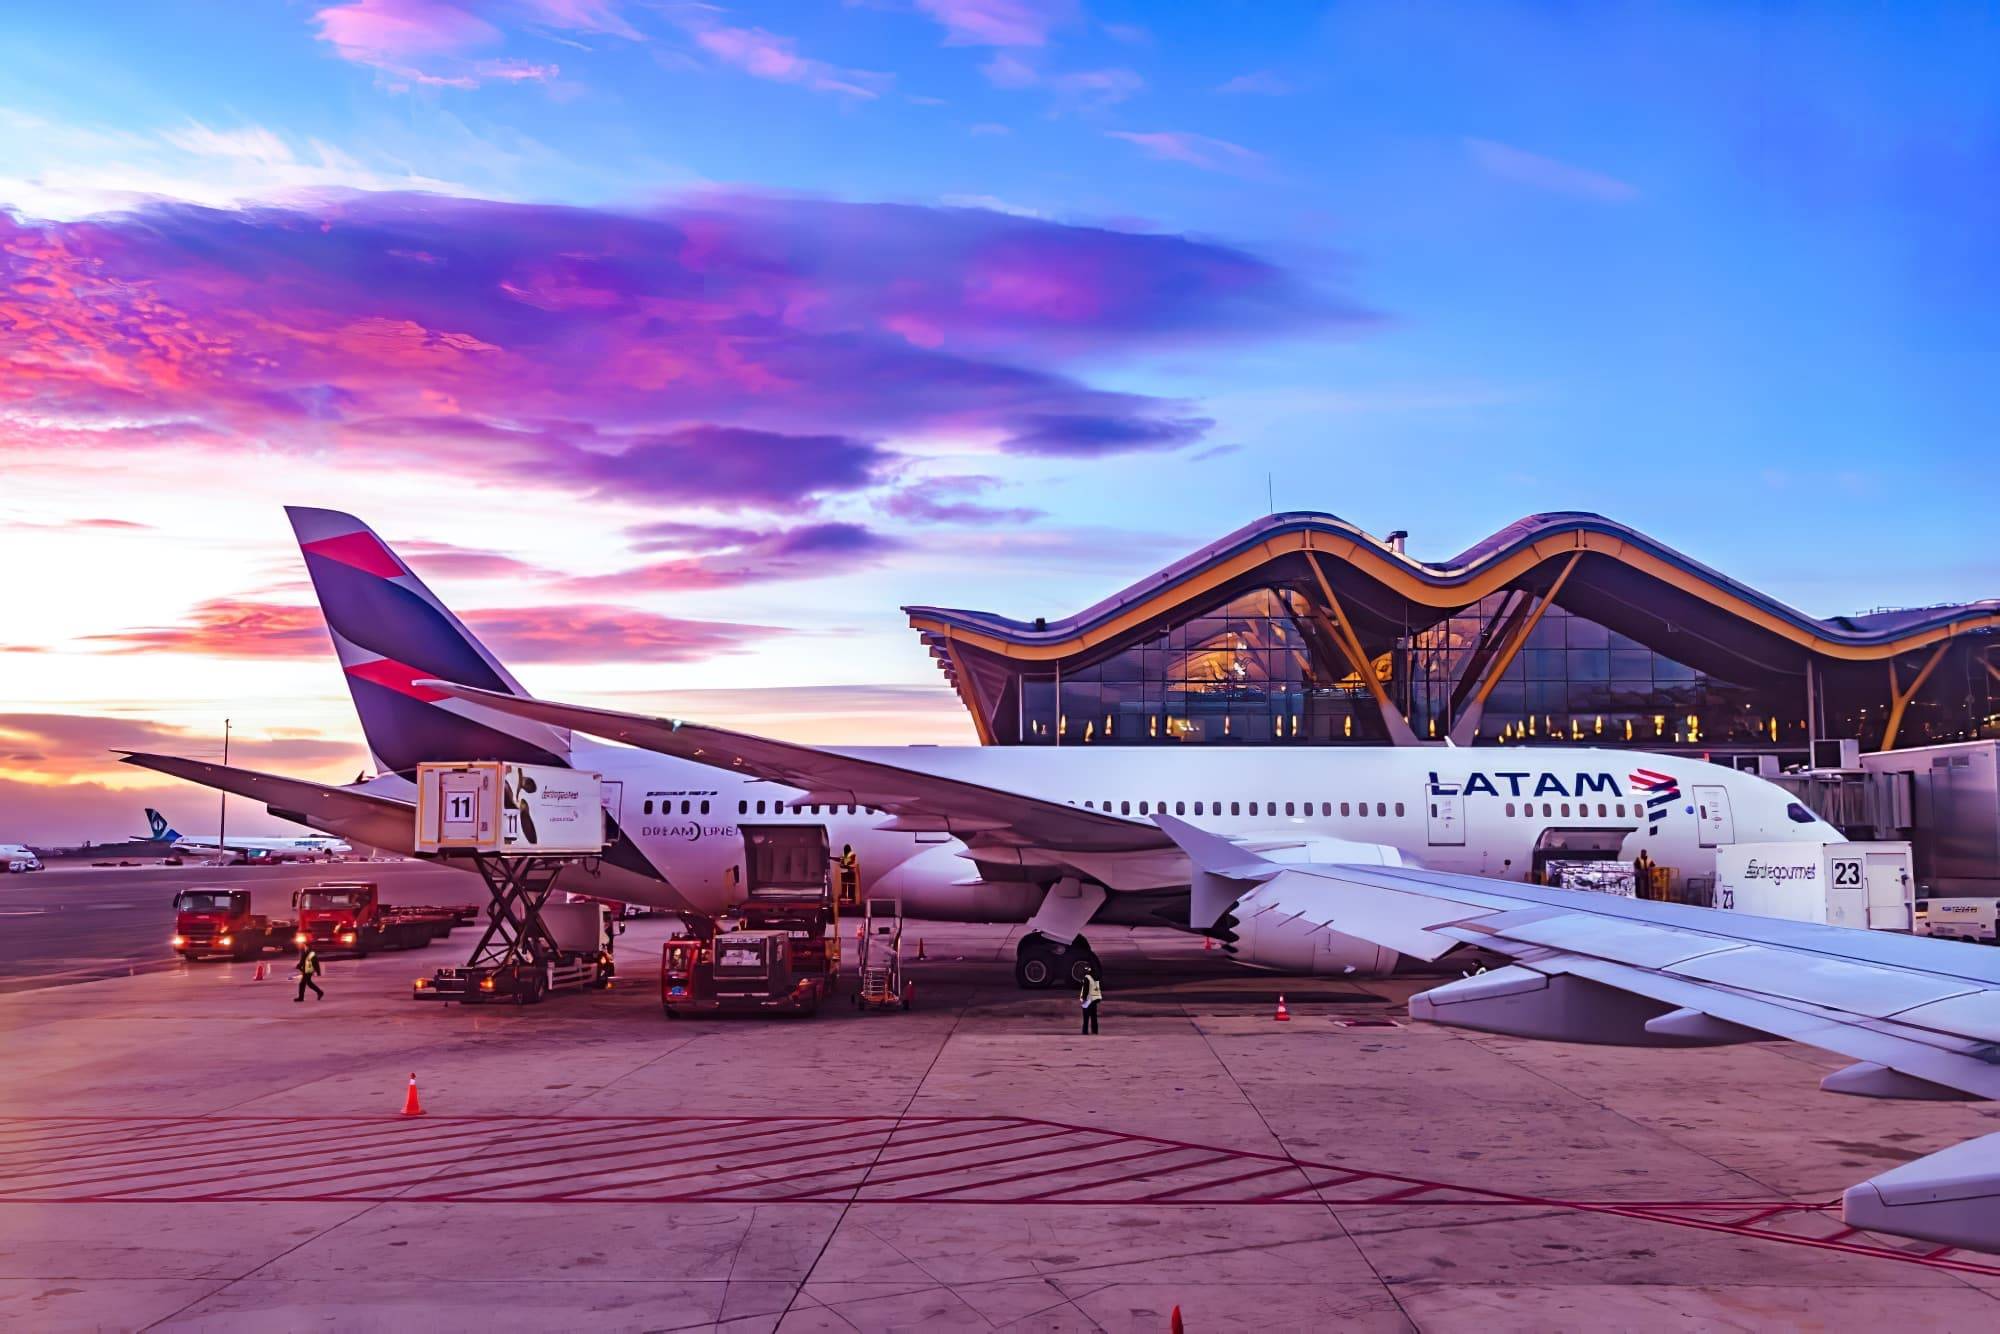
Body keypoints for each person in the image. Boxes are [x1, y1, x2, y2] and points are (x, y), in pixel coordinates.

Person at [1078, 965, 1102, 1035]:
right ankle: (1095, 1031)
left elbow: (1085, 989)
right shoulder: (1095, 978)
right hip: (1094, 999)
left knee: (1086, 1017)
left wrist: (1083, 999)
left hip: (1088, 1000)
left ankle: (1085, 1031)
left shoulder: (1087, 978)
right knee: (1094, 1016)